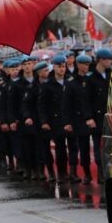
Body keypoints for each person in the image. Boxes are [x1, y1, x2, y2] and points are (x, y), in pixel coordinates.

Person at [62, 53, 95, 183]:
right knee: (75, 148)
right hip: (75, 120)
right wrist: (66, 122)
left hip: (88, 119)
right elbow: (65, 104)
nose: (86, 67)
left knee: (86, 148)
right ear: (78, 65)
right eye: (84, 64)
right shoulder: (71, 82)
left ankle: (87, 173)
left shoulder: (91, 80)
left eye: (88, 64)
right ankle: (74, 173)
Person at [39, 54, 70, 183]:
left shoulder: (70, 81)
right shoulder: (48, 85)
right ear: (54, 67)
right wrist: (44, 121)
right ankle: (61, 173)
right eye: (59, 66)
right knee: (60, 148)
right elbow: (42, 105)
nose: (62, 69)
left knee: (73, 147)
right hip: (56, 121)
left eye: (63, 66)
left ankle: (70, 173)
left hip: (70, 119)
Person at [88, 48, 112, 176]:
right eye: (108, 59)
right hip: (96, 118)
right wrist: (89, 117)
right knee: (99, 146)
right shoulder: (90, 78)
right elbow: (85, 100)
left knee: (110, 146)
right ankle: (100, 171)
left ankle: (109, 170)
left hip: (110, 116)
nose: (110, 61)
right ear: (101, 60)